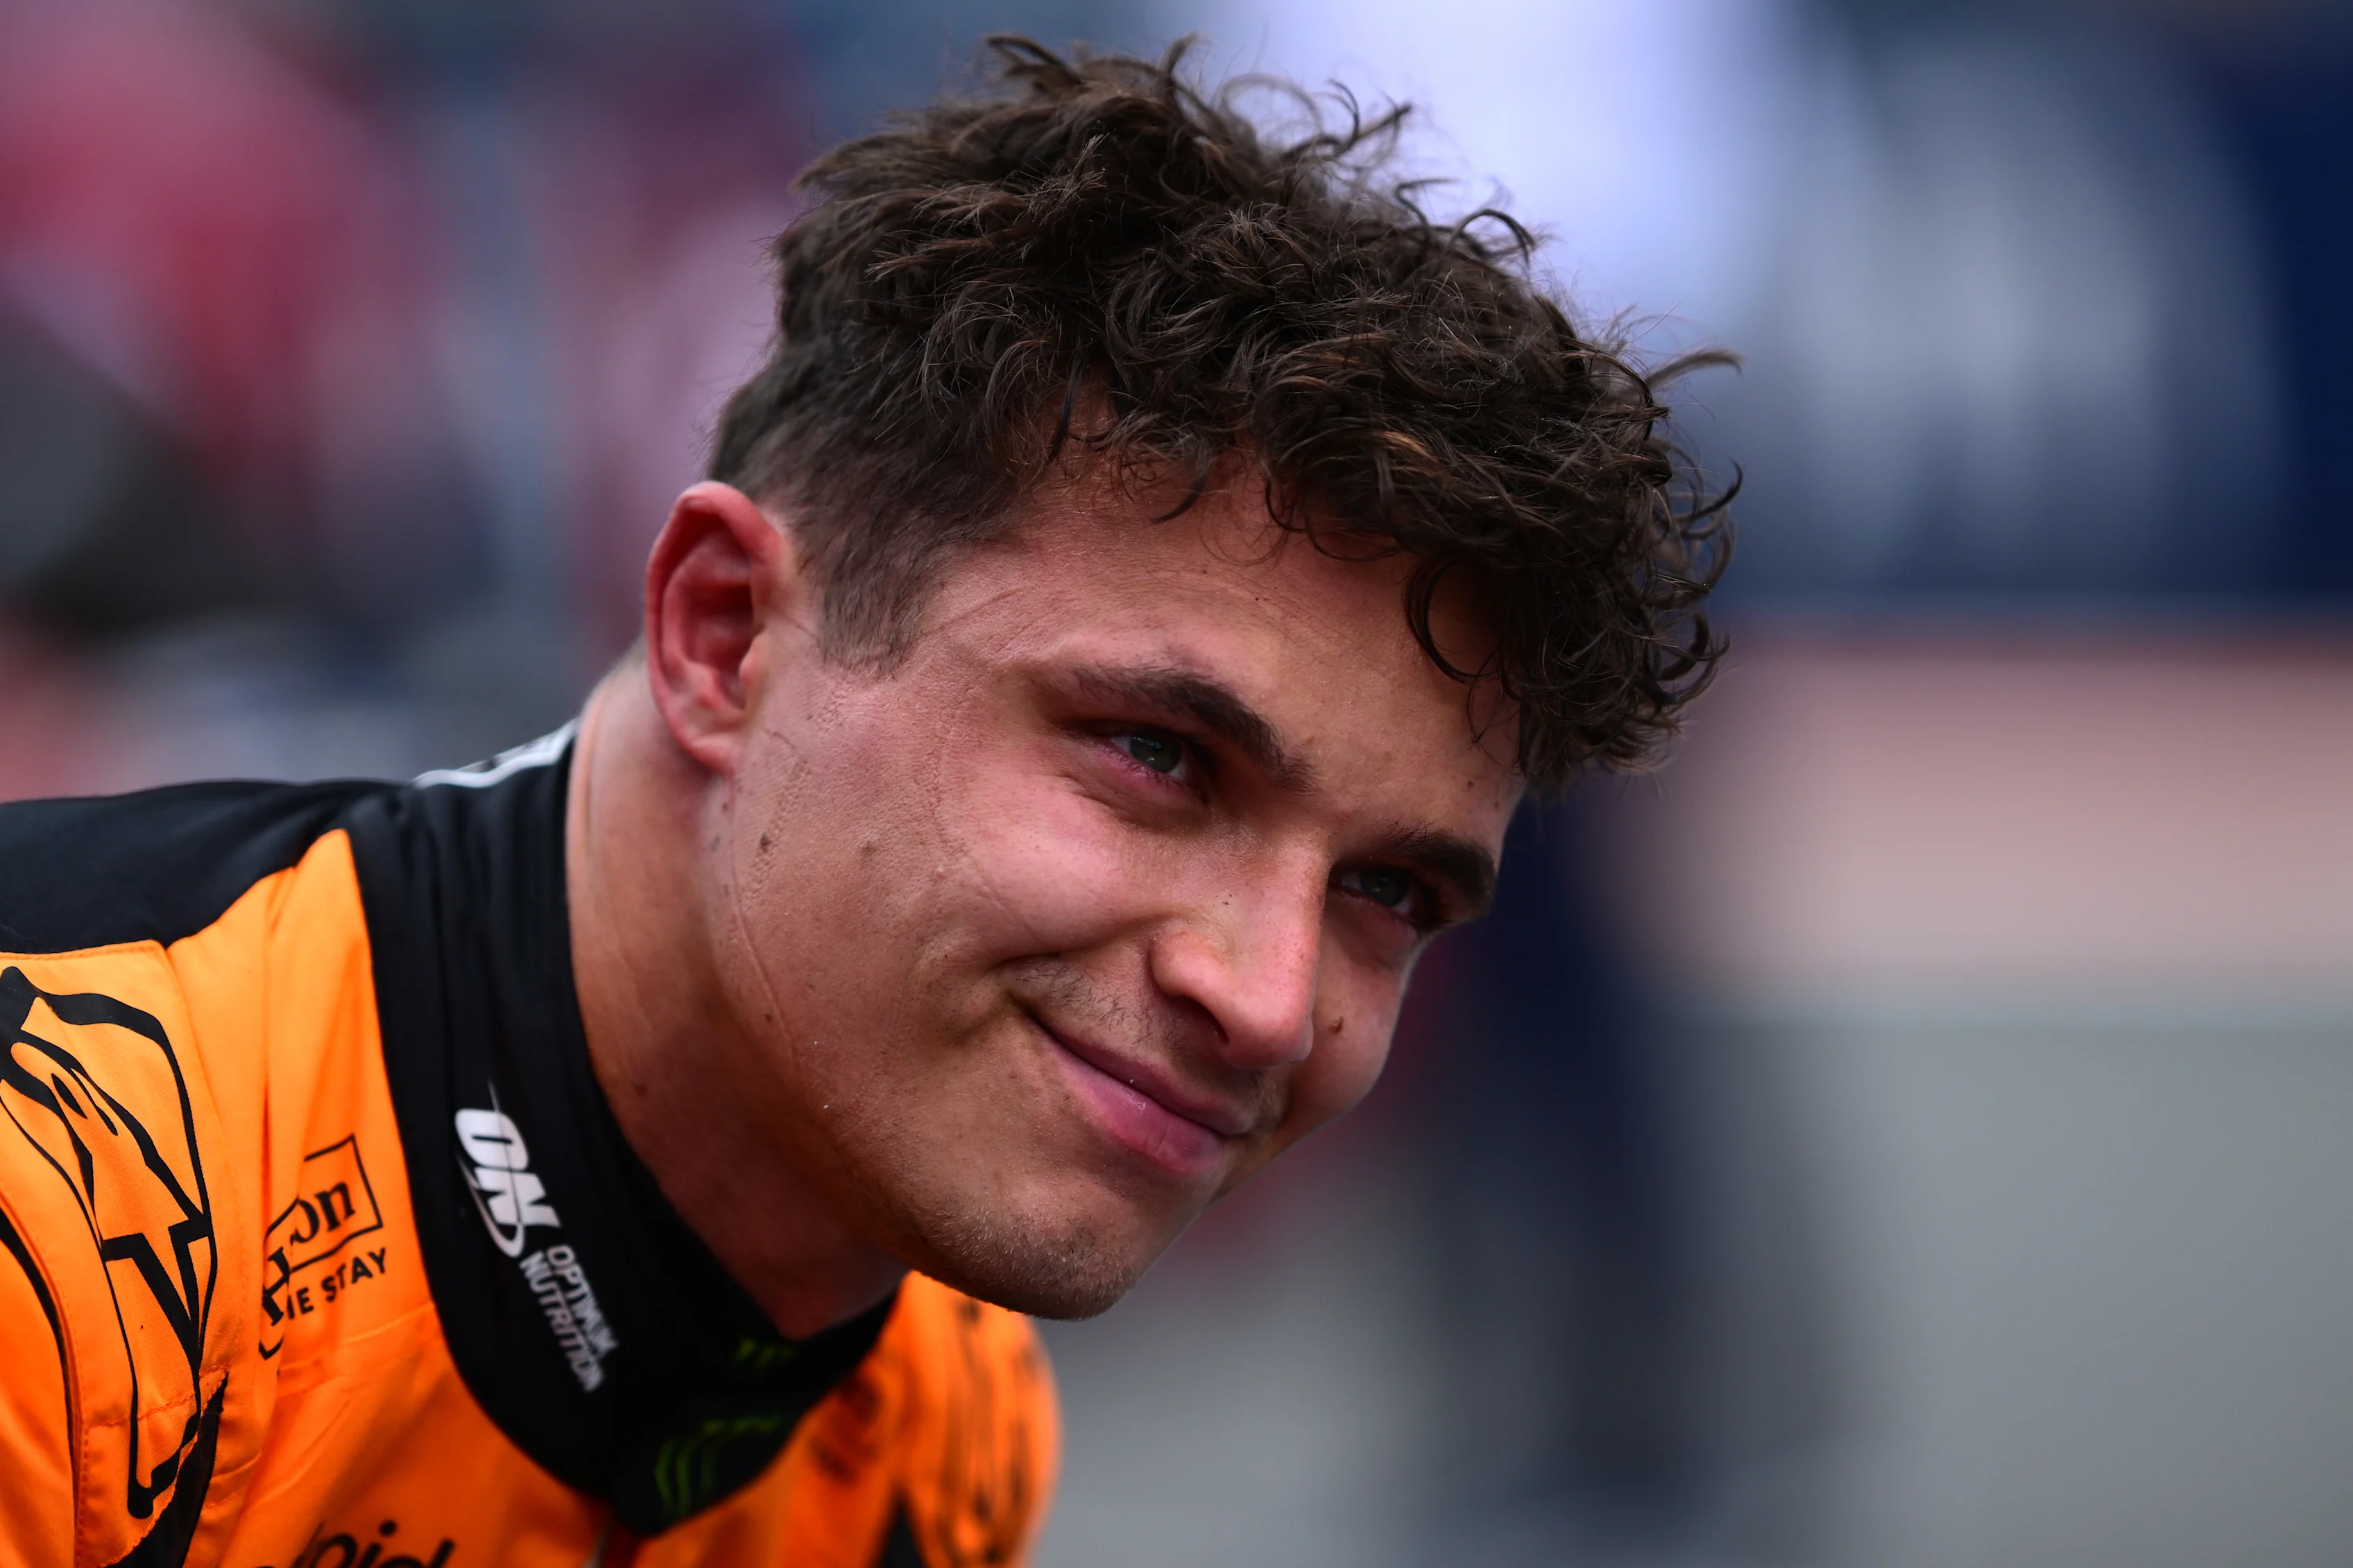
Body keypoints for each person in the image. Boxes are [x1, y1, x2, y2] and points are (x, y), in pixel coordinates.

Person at [0, 37, 1725, 1568]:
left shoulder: (937, 1410)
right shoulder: (67, 1211)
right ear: (723, 636)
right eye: (1154, 755)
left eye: (1390, 894)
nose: (1269, 996)